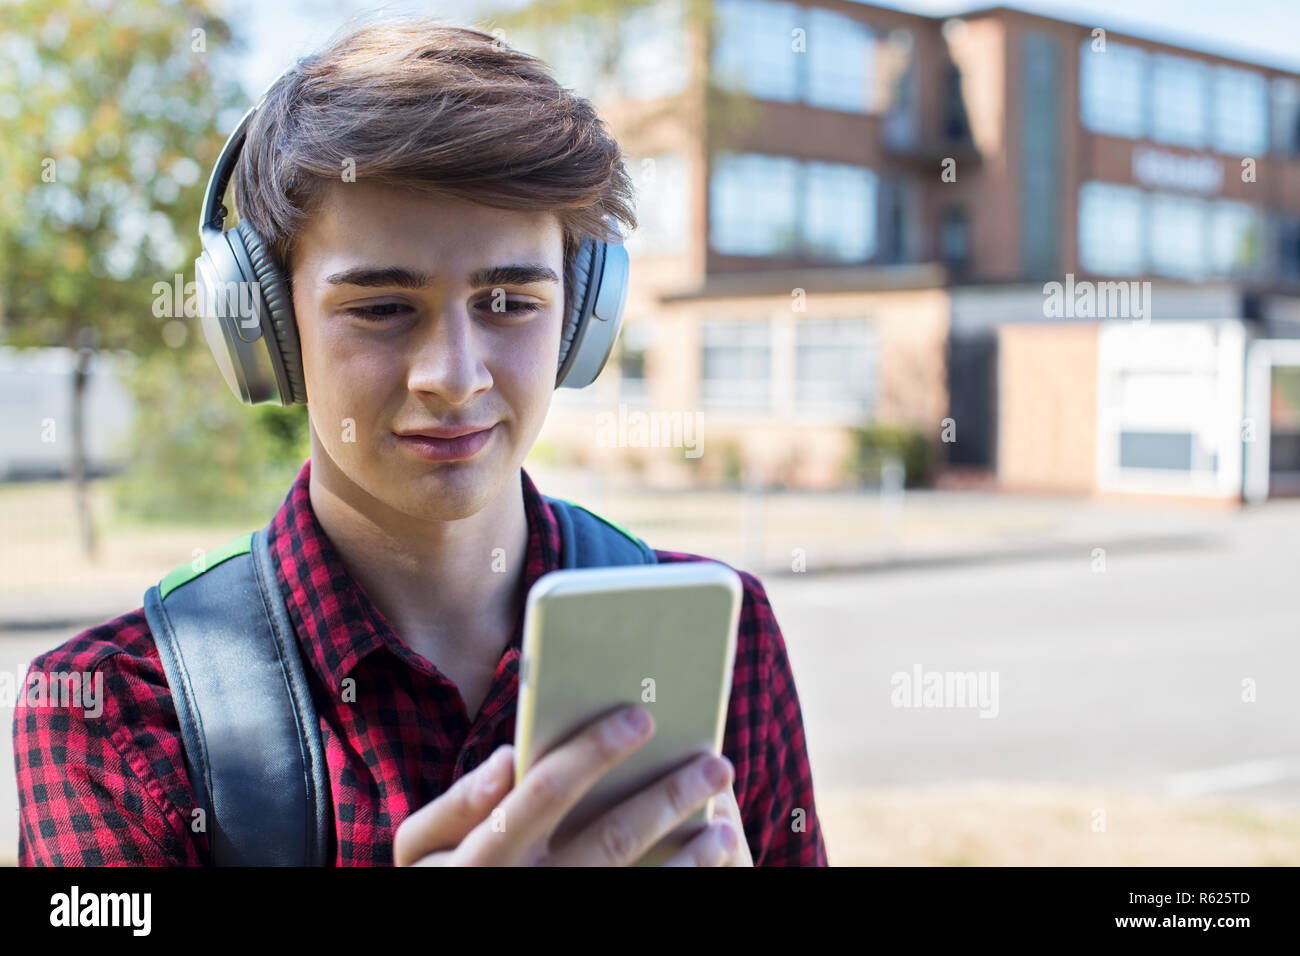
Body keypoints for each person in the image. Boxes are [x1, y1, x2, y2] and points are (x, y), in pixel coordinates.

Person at [13, 13, 828, 867]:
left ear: (583, 321)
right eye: (381, 307)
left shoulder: (722, 639)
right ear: (264, 327)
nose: (454, 375)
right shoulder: (107, 715)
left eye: (509, 301)